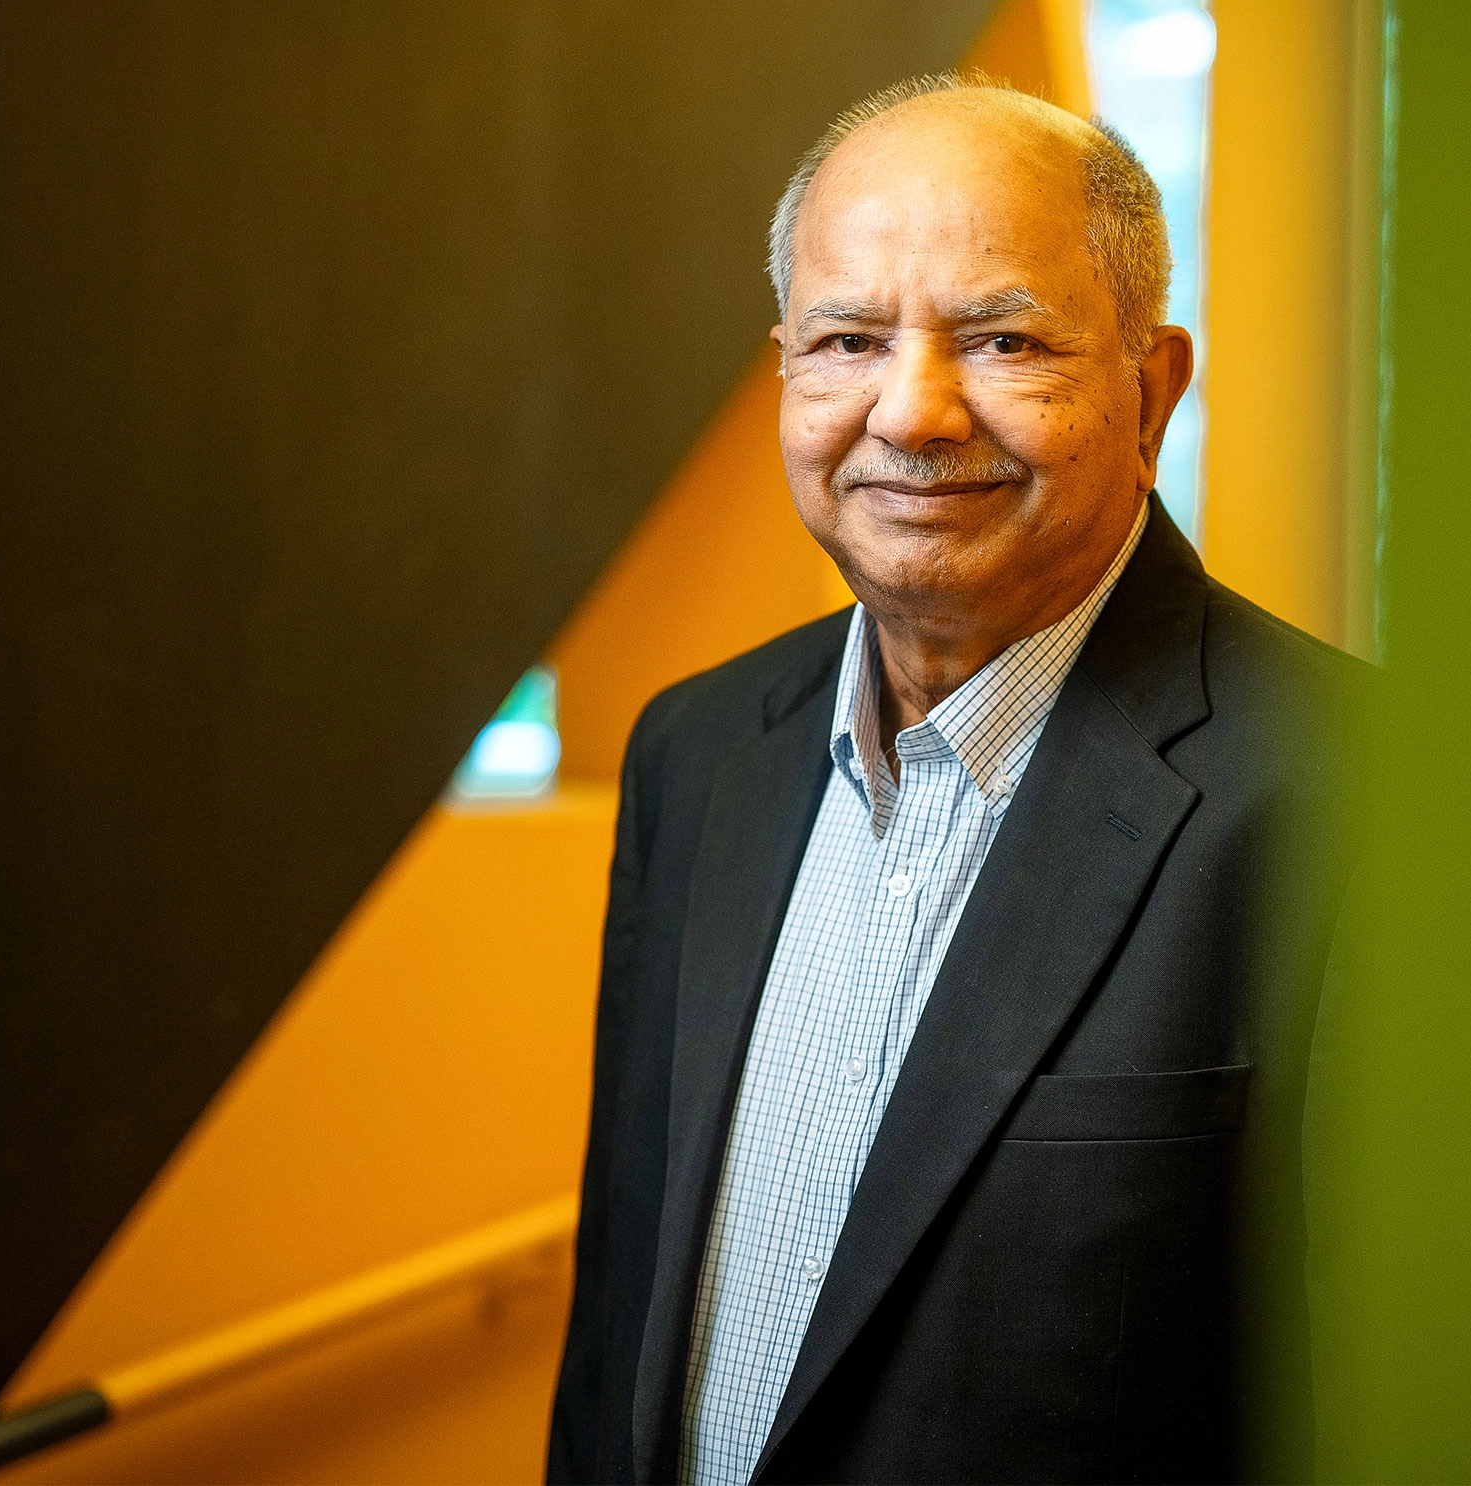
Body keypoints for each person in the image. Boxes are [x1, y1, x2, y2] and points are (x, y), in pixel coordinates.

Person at [548, 73, 1367, 1485]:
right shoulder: (696, 756)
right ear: (789, 371)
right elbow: (621, 1304)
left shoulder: (1361, 798)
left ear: (1151, 385)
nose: (912, 413)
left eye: (1003, 339)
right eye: (848, 339)